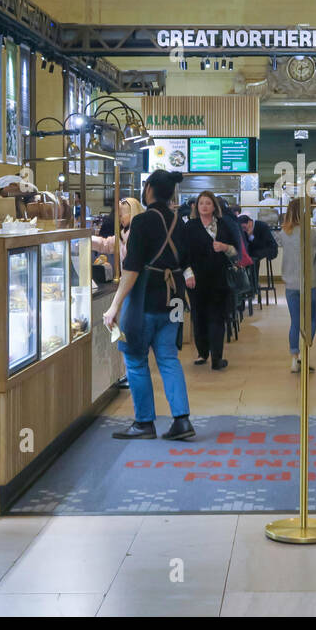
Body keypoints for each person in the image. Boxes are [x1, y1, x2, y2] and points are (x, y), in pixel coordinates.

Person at [103, 170, 195, 441]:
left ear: (150, 189)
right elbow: (187, 262)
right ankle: (182, 420)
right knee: (168, 356)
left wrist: (114, 306)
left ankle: (144, 423)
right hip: (176, 297)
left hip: (146, 297)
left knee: (135, 358)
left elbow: (131, 269)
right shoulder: (182, 222)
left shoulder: (142, 221)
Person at [184, 190, 241, 371]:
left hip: (219, 279)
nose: (205, 206)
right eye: (202, 203)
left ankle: (217, 357)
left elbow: (236, 252)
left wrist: (224, 247)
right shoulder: (190, 227)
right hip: (197, 279)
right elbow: (183, 253)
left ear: (214, 206)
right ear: (196, 206)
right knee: (199, 317)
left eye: (208, 203)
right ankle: (202, 352)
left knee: (217, 317)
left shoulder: (224, 225)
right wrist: (187, 273)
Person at [275, 197, 316, 373]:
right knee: (311, 319)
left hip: (291, 284)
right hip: (310, 282)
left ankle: (294, 358)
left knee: (295, 321)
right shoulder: (312, 232)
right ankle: (305, 352)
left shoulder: (283, 233)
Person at [92, 197, 145, 280]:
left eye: (121, 215)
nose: (120, 219)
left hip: (136, 279)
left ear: (132, 213)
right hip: (128, 279)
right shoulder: (123, 234)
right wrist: (88, 239)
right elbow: (106, 244)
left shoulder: (137, 234)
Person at [238, 212, 278, 301]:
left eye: (244, 227)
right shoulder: (244, 229)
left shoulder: (262, 226)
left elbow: (264, 244)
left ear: (250, 222)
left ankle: (254, 285)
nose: (244, 229)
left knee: (253, 259)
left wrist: (250, 236)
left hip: (268, 248)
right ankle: (249, 284)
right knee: (246, 258)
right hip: (255, 250)